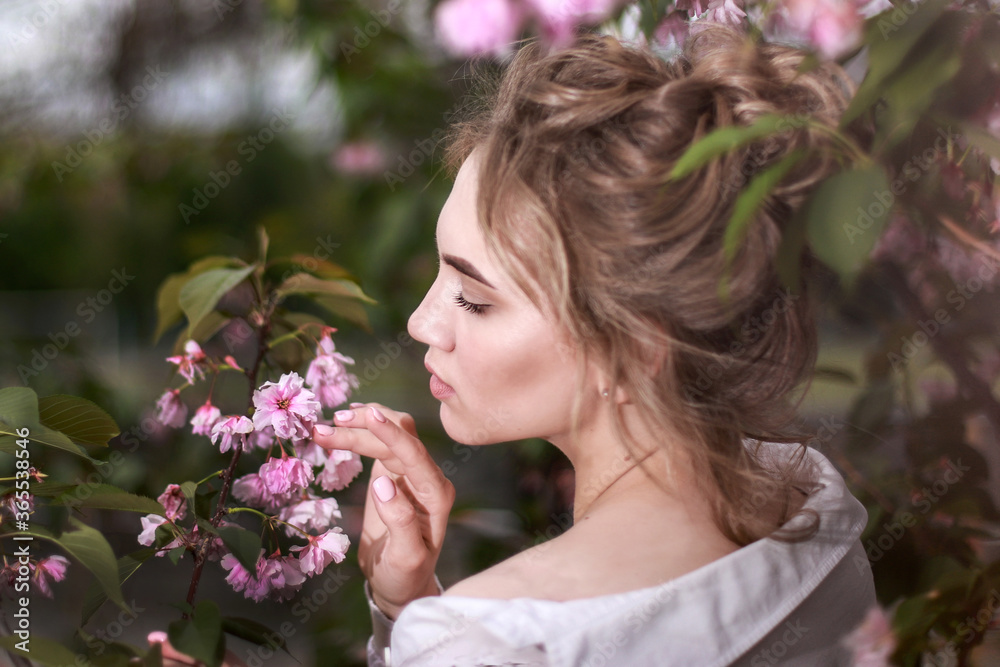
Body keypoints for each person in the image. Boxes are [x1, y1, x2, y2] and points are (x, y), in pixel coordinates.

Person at [310, 25, 876, 667]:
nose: (420, 323)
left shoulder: (502, 639)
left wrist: (418, 632)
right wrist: (407, 606)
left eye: (475, 299)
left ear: (635, 344)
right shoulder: (817, 511)